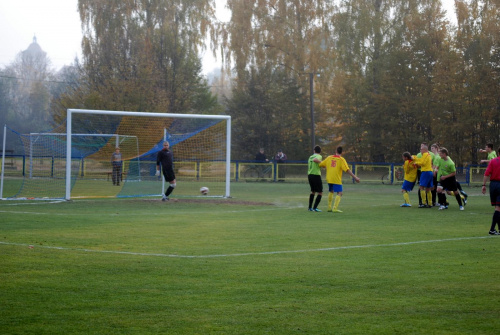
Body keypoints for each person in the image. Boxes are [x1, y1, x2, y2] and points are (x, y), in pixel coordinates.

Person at [319, 146, 360, 213]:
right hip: (336, 178)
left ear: (336, 151)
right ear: (342, 152)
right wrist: (355, 177)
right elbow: (347, 169)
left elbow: (321, 164)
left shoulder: (329, 157)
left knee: (331, 191)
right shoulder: (341, 159)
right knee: (340, 193)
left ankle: (329, 207)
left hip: (329, 177)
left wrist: (328, 167)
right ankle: (335, 208)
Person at [482, 147, 500, 235]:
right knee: (498, 208)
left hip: (493, 185)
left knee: (498, 208)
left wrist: (484, 185)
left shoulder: (493, 161)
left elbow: (486, 174)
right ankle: (492, 229)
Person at [413, 142, 434, 208]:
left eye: (421, 149)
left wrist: (416, 163)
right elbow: (421, 160)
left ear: (424, 150)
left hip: (425, 172)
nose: (420, 150)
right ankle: (430, 203)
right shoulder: (428, 155)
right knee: (428, 189)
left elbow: (422, 162)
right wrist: (414, 158)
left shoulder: (425, 154)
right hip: (430, 172)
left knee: (421, 187)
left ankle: (424, 203)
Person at [307, 145, 323, 212]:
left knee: (313, 191)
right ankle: (315, 208)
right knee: (320, 192)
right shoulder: (319, 156)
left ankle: (310, 207)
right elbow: (315, 160)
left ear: (314, 150)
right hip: (316, 175)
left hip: (310, 175)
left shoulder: (310, 156)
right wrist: (322, 162)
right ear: (320, 151)